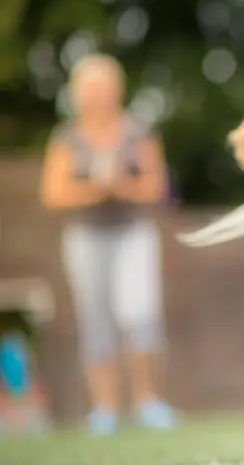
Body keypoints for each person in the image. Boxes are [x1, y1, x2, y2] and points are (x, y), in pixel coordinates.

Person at [38, 53, 177, 435]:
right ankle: (105, 410)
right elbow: (53, 193)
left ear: (118, 90)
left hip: (134, 234)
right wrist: (96, 190)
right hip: (86, 238)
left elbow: (155, 187)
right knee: (96, 321)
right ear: (78, 93)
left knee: (142, 315)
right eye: (91, 88)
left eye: (105, 87)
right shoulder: (67, 137)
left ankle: (149, 403)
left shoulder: (137, 131)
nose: (98, 95)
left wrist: (120, 186)